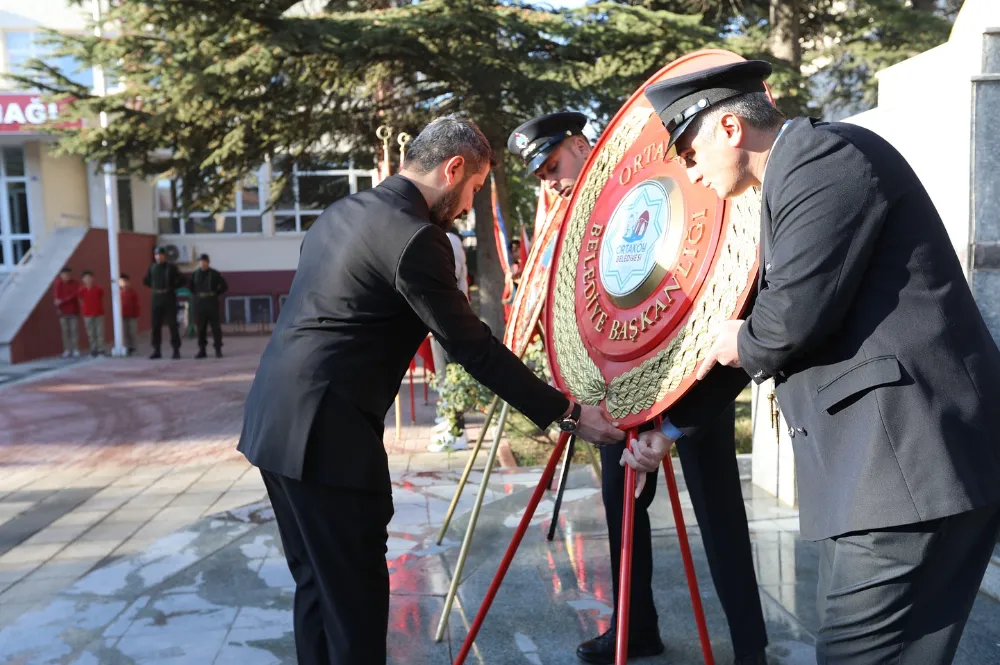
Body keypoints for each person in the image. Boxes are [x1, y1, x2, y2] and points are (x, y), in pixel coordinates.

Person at [625, 60, 1000, 665]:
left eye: (690, 155)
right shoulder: (799, 172)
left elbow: (786, 321)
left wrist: (735, 337)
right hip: (902, 472)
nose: (690, 176)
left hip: (907, 467)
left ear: (728, 128)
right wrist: (669, 428)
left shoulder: (821, 159)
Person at [237, 115, 626, 665]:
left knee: (317, 588)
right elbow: (473, 348)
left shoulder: (343, 212)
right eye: (471, 190)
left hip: (274, 424)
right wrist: (566, 411)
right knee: (354, 604)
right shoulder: (416, 236)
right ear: (453, 168)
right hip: (328, 437)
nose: (467, 205)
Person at [508, 111, 768, 665]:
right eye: (542, 174)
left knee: (719, 516)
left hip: (692, 371)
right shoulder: (576, 226)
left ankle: (751, 648)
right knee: (622, 512)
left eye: (554, 163)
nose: (551, 180)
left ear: (582, 145)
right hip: (620, 382)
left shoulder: (651, 170)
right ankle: (633, 627)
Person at [428, 223, 470, 452]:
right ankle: (450, 422)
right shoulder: (445, 238)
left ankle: (458, 431)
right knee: (444, 375)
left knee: (451, 376)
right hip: (441, 322)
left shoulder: (448, 241)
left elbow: (445, 281)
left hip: (449, 322)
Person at [143, 246, 184, 359]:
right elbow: (146, 280)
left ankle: (176, 349)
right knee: (155, 325)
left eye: (160, 255)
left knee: (172, 324)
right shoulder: (152, 267)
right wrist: (156, 288)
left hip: (168, 296)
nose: (158, 257)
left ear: (165, 256)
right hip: (156, 297)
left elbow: (182, 280)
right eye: (156, 255)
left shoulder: (171, 268)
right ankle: (157, 350)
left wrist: (172, 287)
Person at [189, 253, 228, 359]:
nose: (203, 263)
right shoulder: (195, 274)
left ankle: (218, 349)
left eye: (204, 261)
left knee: (215, 327)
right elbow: (191, 287)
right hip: (201, 302)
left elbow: (224, 286)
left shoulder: (214, 273)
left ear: (208, 262)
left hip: (212, 302)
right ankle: (202, 350)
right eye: (201, 261)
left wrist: (216, 293)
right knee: (201, 328)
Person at [52, 266, 80, 358]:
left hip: (73, 311)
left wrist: (63, 301)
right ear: (61, 275)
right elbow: (56, 296)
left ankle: (75, 349)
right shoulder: (58, 283)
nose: (66, 276)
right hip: (63, 312)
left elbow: (75, 295)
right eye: (64, 275)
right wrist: (57, 304)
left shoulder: (75, 283)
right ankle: (67, 350)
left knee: (74, 330)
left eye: (68, 275)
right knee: (65, 331)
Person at [78, 270, 105, 357]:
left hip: (98, 313)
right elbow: (80, 299)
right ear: (83, 280)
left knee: (99, 332)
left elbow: (101, 296)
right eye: (85, 278)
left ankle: (101, 349)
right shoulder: (81, 290)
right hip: (87, 314)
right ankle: (93, 350)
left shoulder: (98, 289)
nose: (88, 280)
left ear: (93, 279)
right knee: (91, 333)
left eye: (89, 278)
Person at [119, 273, 140, 356]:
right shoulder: (118, 293)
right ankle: (127, 347)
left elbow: (136, 304)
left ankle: (134, 347)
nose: (123, 283)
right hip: (123, 316)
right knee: (125, 332)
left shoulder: (132, 292)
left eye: (125, 281)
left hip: (132, 316)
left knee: (132, 332)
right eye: (121, 281)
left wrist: (136, 314)